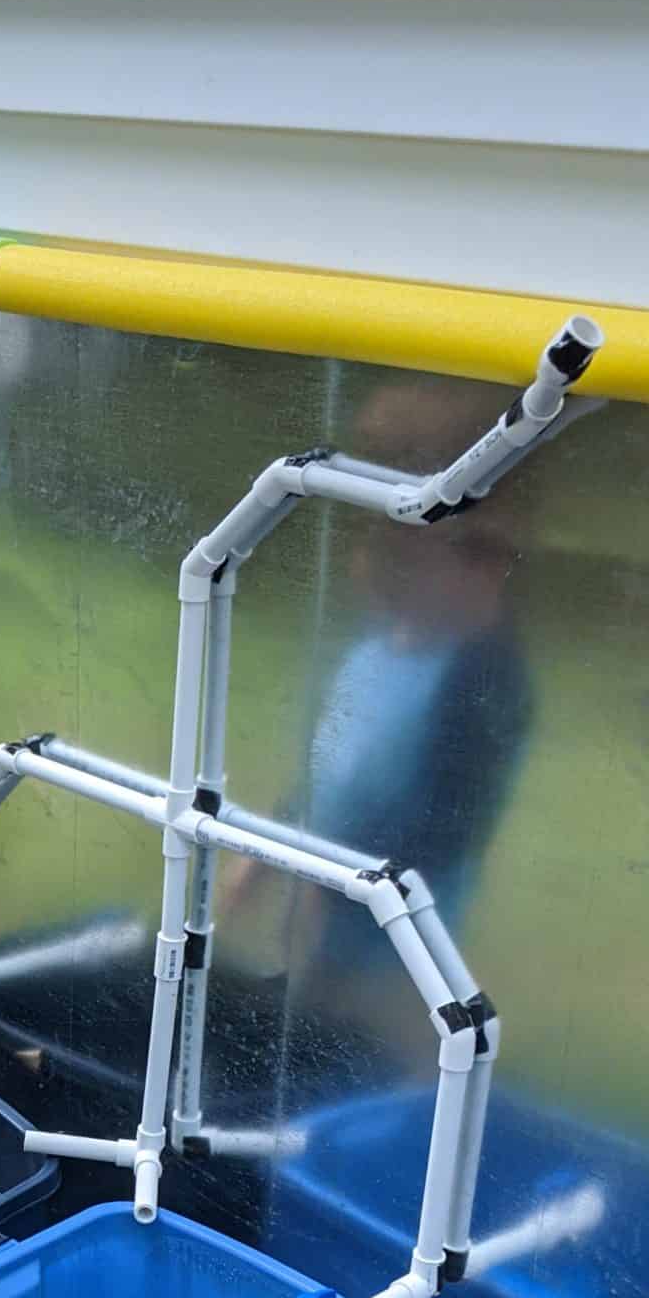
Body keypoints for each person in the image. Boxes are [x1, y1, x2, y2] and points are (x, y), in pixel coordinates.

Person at [221, 377, 536, 1074]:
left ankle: (387, 1088)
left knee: (365, 1027)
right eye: (376, 546)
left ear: (482, 567)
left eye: (402, 555)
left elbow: (449, 822)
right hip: (330, 879)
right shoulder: (374, 651)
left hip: (394, 902)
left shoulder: (484, 683)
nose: (372, 569)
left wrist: (339, 884)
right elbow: (328, 760)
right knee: (311, 1008)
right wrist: (268, 848)